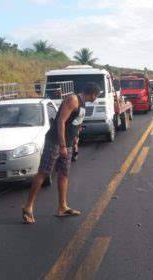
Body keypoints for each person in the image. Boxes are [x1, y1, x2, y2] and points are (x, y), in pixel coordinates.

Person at [22, 82, 100, 224]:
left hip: (68, 144)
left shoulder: (83, 104)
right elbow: (61, 122)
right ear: (93, 94)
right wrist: (62, 145)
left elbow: (75, 124)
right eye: (97, 95)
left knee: (64, 174)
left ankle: (62, 207)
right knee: (44, 172)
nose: (97, 98)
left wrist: (75, 142)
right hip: (55, 142)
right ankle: (28, 206)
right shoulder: (73, 100)